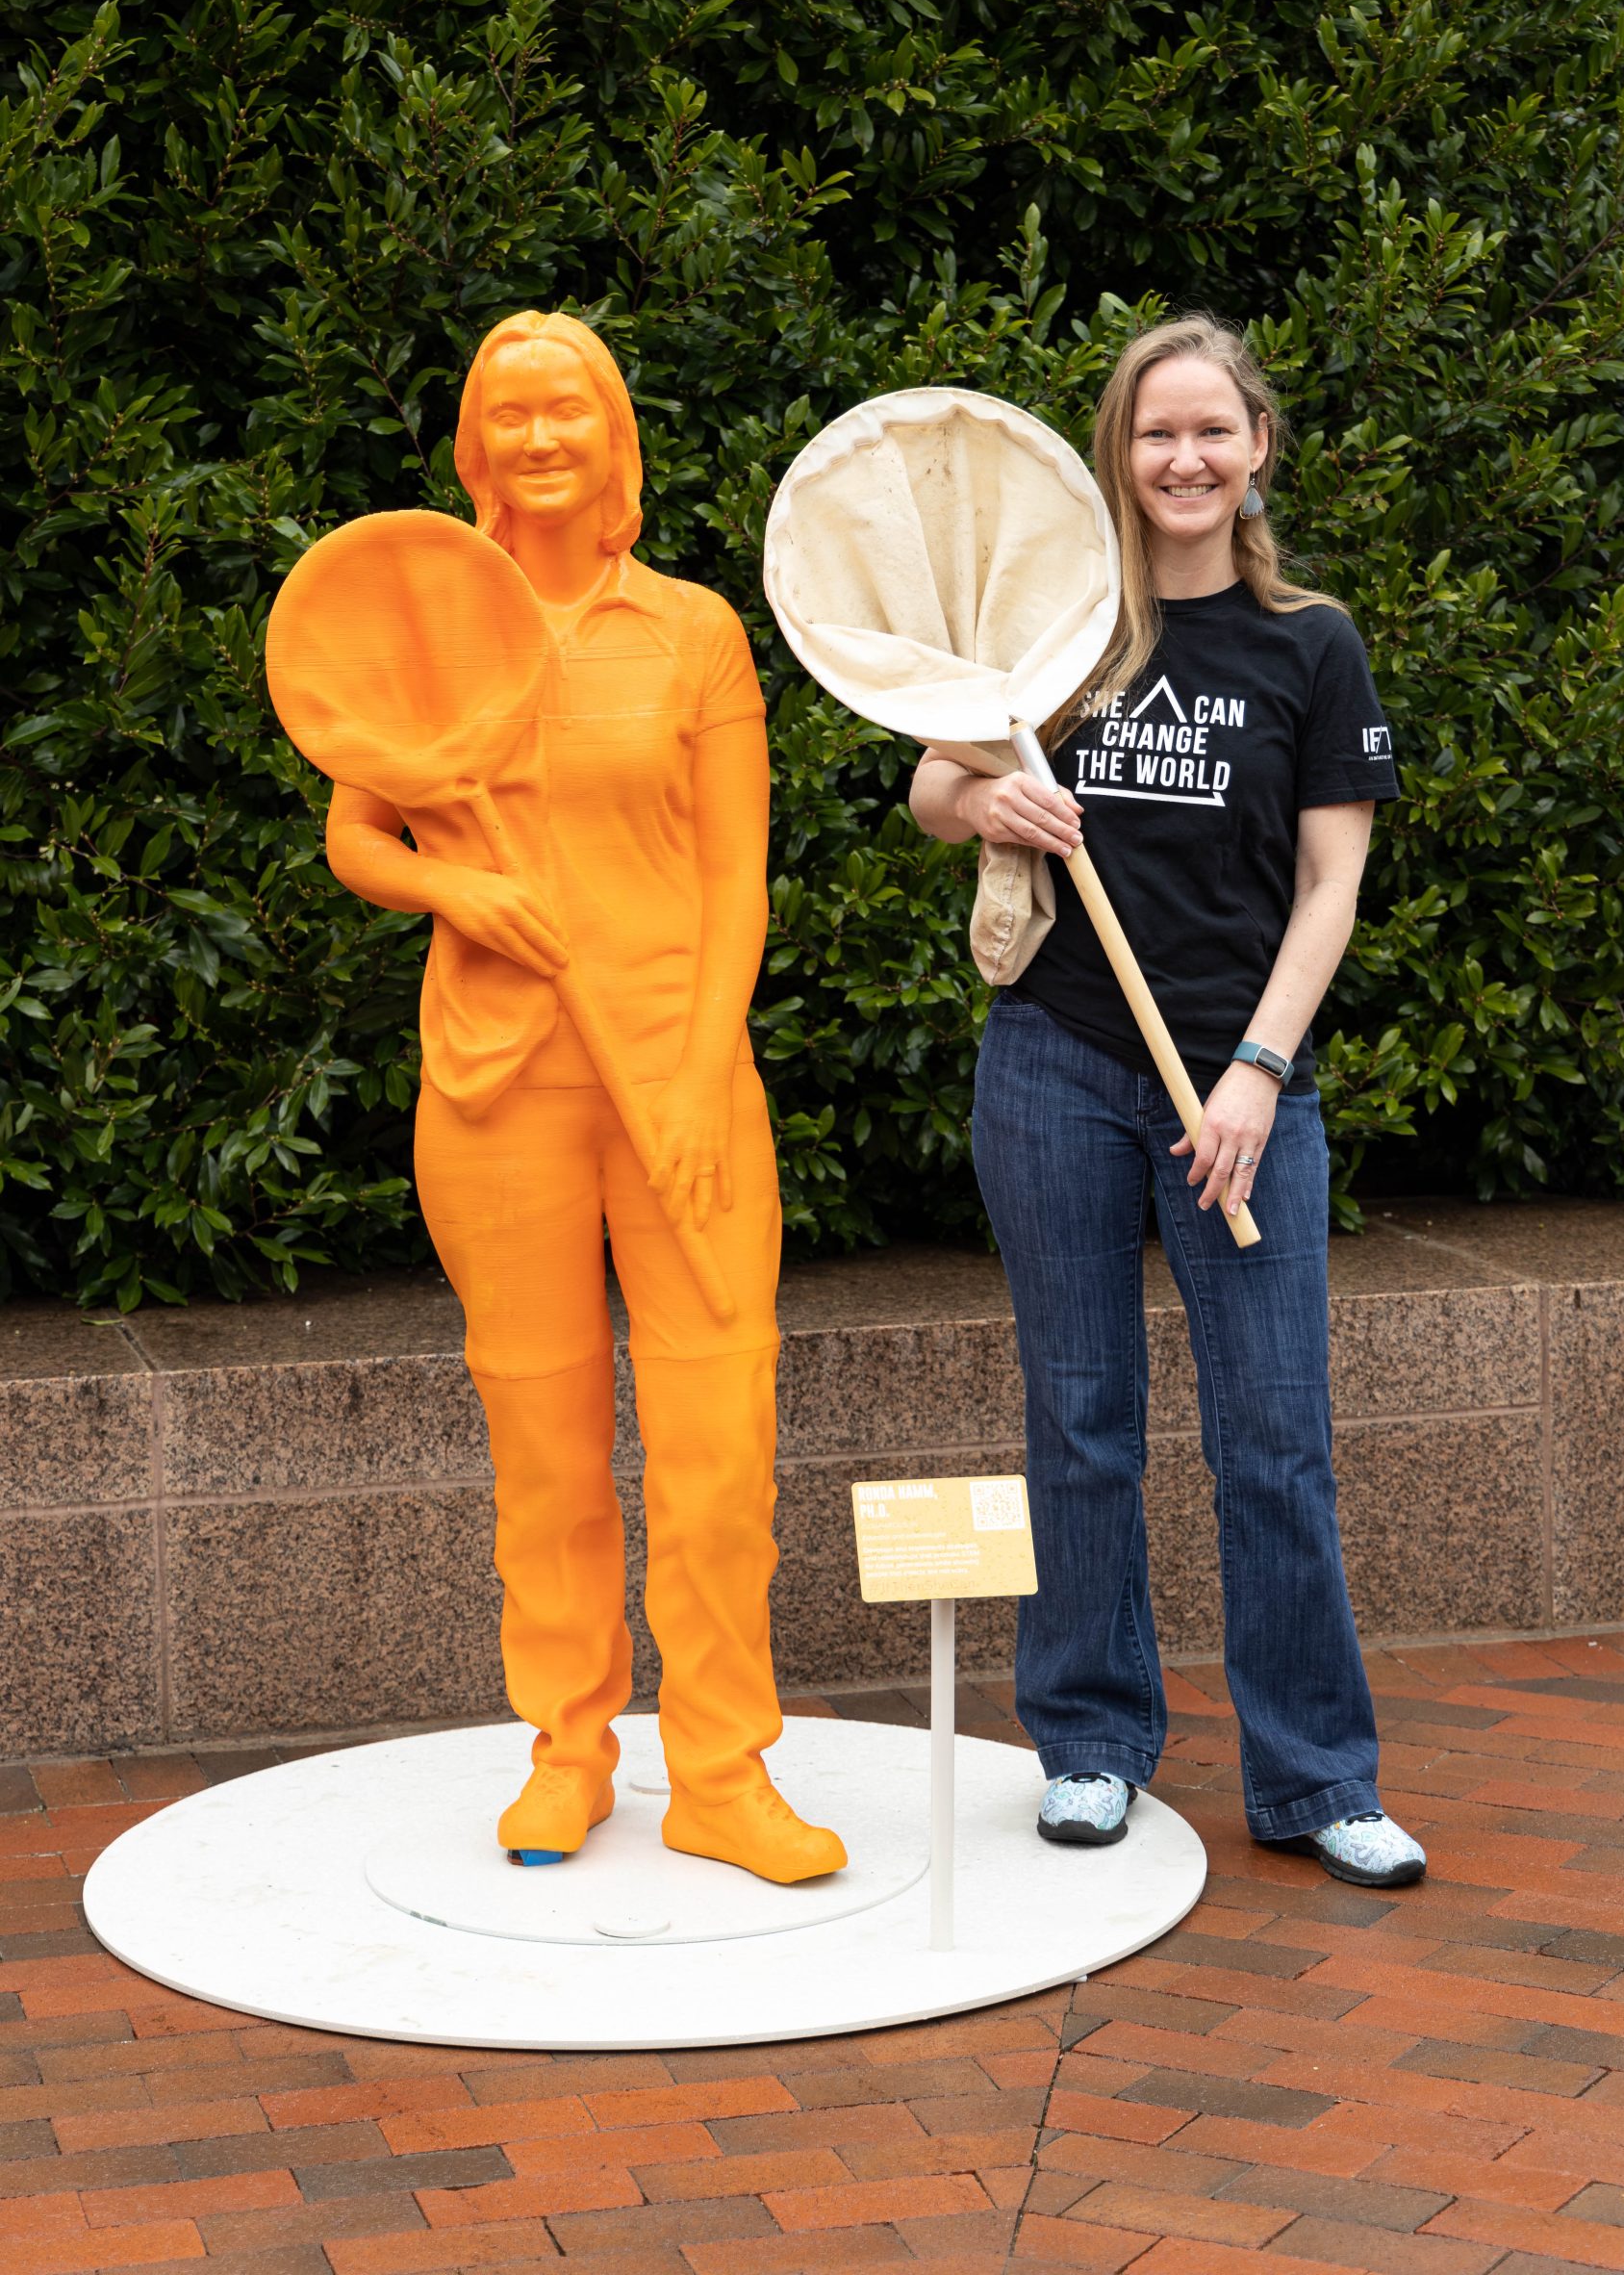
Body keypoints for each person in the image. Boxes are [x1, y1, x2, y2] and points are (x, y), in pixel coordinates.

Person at [323, 311, 845, 1885]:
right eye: (510, 415)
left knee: (716, 1427)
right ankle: (569, 1750)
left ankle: (724, 1769)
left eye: (568, 412)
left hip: (679, 1076)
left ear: (613, 440)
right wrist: (463, 897)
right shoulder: (425, 634)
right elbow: (359, 839)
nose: (541, 439)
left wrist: (695, 1070)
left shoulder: (691, 635)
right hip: (493, 1081)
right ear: (475, 449)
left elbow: (736, 881)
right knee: (542, 1436)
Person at [909, 315, 1425, 1890]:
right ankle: (1087, 1745)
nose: (1184, 460)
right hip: (1059, 1064)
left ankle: (1318, 1776)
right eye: (1153, 434)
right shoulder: (1057, 633)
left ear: (1256, 446)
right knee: (1081, 1423)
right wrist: (981, 793)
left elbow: (1333, 884)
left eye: (1212, 431)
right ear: (1114, 457)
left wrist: (1258, 1075)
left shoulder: (1310, 643)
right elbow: (932, 782)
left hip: (1240, 1087)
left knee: (1275, 1438)